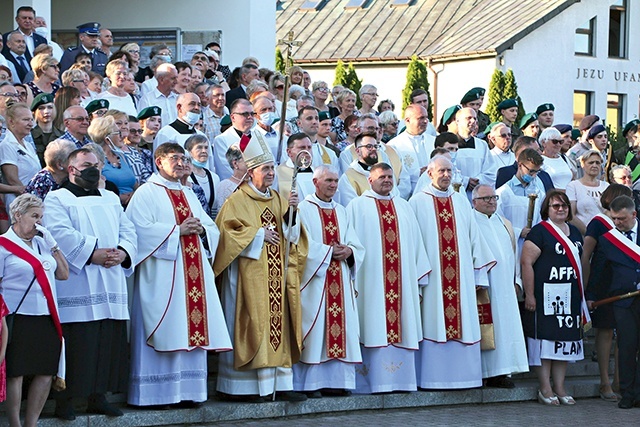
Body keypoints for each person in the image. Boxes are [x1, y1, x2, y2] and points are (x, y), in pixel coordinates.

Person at [125, 142, 231, 407]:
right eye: (175, 158)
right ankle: (156, 394)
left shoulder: (189, 193)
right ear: (159, 161)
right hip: (162, 274)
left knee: (190, 327)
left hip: (193, 272)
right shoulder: (146, 193)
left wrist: (203, 231)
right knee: (167, 326)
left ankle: (190, 392)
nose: (182, 163)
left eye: (184, 158)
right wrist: (176, 231)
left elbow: (209, 226)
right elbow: (138, 230)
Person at [213, 133, 308, 402]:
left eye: (271, 169)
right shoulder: (237, 200)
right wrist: (256, 236)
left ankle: (280, 386)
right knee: (253, 325)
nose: (270, 174)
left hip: (277, 277)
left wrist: (291, 214)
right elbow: (226, 234)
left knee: (278, 325)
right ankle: (243, 389)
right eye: (265, 169)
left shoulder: (279, 198)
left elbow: (292, 236)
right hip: (248, 278)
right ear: (251, 172)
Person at [44, 147, 137, 420]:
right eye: (87, 164)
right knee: (77, 343)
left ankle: (99, 396)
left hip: (110, 278)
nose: (93, 169)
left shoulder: (110, 198)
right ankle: (65, 401)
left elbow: (128, 228)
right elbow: (58, 232)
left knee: (107, 339)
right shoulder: (56, 199)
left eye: (96, 164)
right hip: (78, 279)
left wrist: (123, 251)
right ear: (71, 169)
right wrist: (91, 254)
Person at [410, 156, 495, 389]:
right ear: (430, 174)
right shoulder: (417, 202)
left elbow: (473, 238)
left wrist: (478, 274)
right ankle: (431, 378)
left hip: (461, 278)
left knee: (463, 320)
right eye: (441, 171)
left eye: (449, 171)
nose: (446, 175)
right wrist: (419, 274)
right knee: (433, 319)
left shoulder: (460, 201)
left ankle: (465, 378)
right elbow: (413, 242)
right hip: (433, 278)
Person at [347, 163, 429, 393]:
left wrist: (418, 276)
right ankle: (368, 383)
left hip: (402, 283)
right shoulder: (357, 206)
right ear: (369, 180)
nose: (386, 180)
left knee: (402, 323)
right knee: (372, 323)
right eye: (381, 176)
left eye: (389, 176)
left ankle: (402, 382)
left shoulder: (403, 207)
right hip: (370, 282)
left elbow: (417, 245)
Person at [294, 165, 364, 396]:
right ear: (315, 182)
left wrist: (349, 252)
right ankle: (312, 384)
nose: (333, 185)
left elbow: (355, 243)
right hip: (316, 280)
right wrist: (326, 253)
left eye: (335, 181)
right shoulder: (303, 209)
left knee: (341, 328)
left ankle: (338, 382)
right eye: (328, 181)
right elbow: (298, 245)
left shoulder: (341, 210)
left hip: (341, 279)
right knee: (316, 332)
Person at [1, 194, 68, 427]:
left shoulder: (42, 243)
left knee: (45, 371)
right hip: (17, 318)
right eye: (34, 216)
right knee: (16, 373)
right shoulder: (2, 245)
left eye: (41, 217)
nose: (39, 223)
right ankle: (14, 424)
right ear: (18, 215)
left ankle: (31, 423)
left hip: (46, 317)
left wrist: (53, 244)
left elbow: (63, 274)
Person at [521, 190, 589, 406]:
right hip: (545, 295)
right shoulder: (540, 232)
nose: (561, 209)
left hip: (570, 296)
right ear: (547, 209)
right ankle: (545, 387)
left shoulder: (576, 232)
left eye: (564, 206)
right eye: (555, 206)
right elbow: (526, 263)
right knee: (546, 342)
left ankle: (560, 386)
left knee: (565, 342)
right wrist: (529, 294)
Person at [471, 184, 529, 387]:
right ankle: (485, 371)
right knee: (488, 327)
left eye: (493, 198)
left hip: (505, 286)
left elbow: (514, 255)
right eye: (485, 198)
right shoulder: (469, 222)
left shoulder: (505, 224)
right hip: (483, 287)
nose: (490, 201)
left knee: (506, 327)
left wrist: (517, 281)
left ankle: (503, 372)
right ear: (474, 202)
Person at [587, 195, 640, 409]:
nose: (617, 223)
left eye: (621, 219)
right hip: (623, 301)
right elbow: (599, 269)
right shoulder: (609, 240)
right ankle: (628, 393)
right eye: (614, 219)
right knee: (627, 347)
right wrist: (591, 295)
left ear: (633, 214)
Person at [87, 115, 137, 206]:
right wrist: (118, 197)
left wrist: (134, 195)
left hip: (133, 204)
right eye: (118, 133)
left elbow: (135, 183)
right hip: (110, 204)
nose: (122, 137)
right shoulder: (95, 159)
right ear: (107, 139)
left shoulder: (122, 156)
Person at [0, 103, 41, 208]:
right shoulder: (7, 145)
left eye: (31, 120)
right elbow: (12, 180)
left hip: (33, 200)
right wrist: (30, 201)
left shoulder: (28, 145)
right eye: (26, 120)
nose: (30, 124)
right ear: (11, 122)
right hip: (19, 203)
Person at [388, 104, 435, 192]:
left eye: (426, 117)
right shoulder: (394, 145)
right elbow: (395, 176)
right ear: (408, 120)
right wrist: (417, 173)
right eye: (420, 118)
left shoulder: (434, 141)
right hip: (410, 194)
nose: (425, 121)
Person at [566, 150, 609, 235]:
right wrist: (589, 234)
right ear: (583, 164)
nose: (594, 165)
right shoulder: (573, 186)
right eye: (591, 162)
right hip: (582, 234)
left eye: (597, 163)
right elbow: (571, 216)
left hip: (605, 234)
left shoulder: (606, 186)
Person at [185, 134, 220, 218]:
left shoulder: (214, 177)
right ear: (189, 152)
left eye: (206, 147)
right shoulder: (185, 177)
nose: (204, 151)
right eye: (199, 147)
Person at [30, 92, 62, 165]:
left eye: (50, 107)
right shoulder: (29, 136)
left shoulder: (62, 136)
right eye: (41, 108)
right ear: (34, 112)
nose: (46, 111)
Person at [214, 145, 248, 213]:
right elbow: (222, 214)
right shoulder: (225, 186)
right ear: (235, 163)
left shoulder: (255, 182)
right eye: (247, 160)